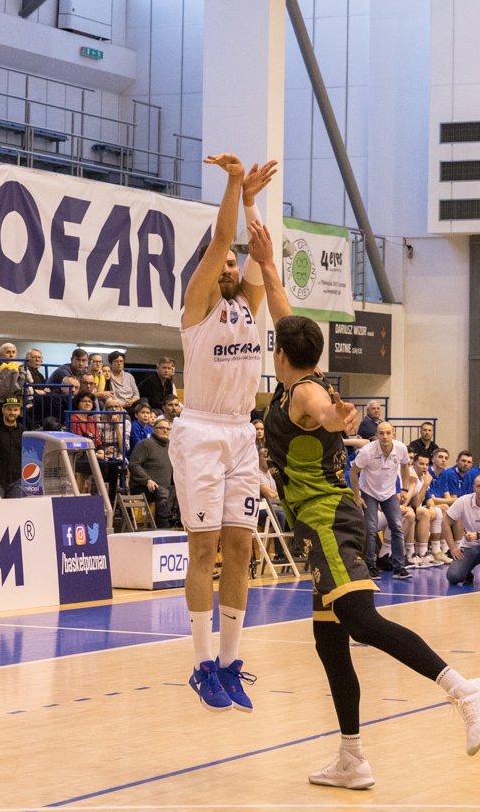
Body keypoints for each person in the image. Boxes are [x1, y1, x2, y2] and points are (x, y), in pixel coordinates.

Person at [252, 221, 480, 788]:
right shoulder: (302, 368)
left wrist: (340, 419)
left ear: (281, 353)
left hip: (327, 523)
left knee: (360, 623)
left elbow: (320, 404)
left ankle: (464, 690)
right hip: (320, 527)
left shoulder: (304, 392)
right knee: (328, 636)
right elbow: (287, 319)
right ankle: (352, 758)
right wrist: (266, 260)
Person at [170, 153, 277, 713]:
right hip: (200, 432)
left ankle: (232, 663)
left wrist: (256, 200)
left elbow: (257, 255)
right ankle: (200, 664)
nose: (233, 265)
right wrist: (235, 184)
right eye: (226, 263)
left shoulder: (249, 308)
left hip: (241, 434)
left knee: (240, 548)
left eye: (236, 264)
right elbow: (223, 239)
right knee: (204, 548)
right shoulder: (199, 304)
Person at [351, 422, 412, 580]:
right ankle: (370, 566)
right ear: (376, 436)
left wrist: (404, 488)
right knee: (370, 529)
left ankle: (399, 568)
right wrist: (357, 496)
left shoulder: (401, 449)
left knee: (397, 527)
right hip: (368, 491)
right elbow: (353, 472)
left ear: (394, 434)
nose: (384, 436)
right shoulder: (367, 451)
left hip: (389, 492)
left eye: (388, 433)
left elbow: (405, 466)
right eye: (381, 433)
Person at [128, 417, 175, 527]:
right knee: (162, 492)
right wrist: (147, 480)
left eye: (167, 429)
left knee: (178, 491)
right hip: (144, 486)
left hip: (163, 488)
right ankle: (163, 527)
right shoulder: (145, 444)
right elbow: (133, 464)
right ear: (154, 429)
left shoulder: (170, 446)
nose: (165, 431)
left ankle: (175, 523)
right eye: (162, 428)